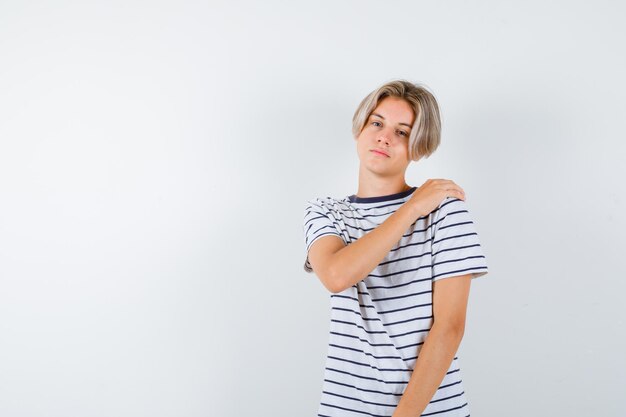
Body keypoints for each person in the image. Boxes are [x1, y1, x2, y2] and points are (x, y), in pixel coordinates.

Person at [302, 79, 489, 417]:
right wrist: (411, 209)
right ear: (360, 129)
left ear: (419, 147)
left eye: (402, 132)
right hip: (344, 408)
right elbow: (335, 275)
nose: (384, 136)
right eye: (377, 123)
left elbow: (449, 327)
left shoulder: (446, 210)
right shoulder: (326, 211)